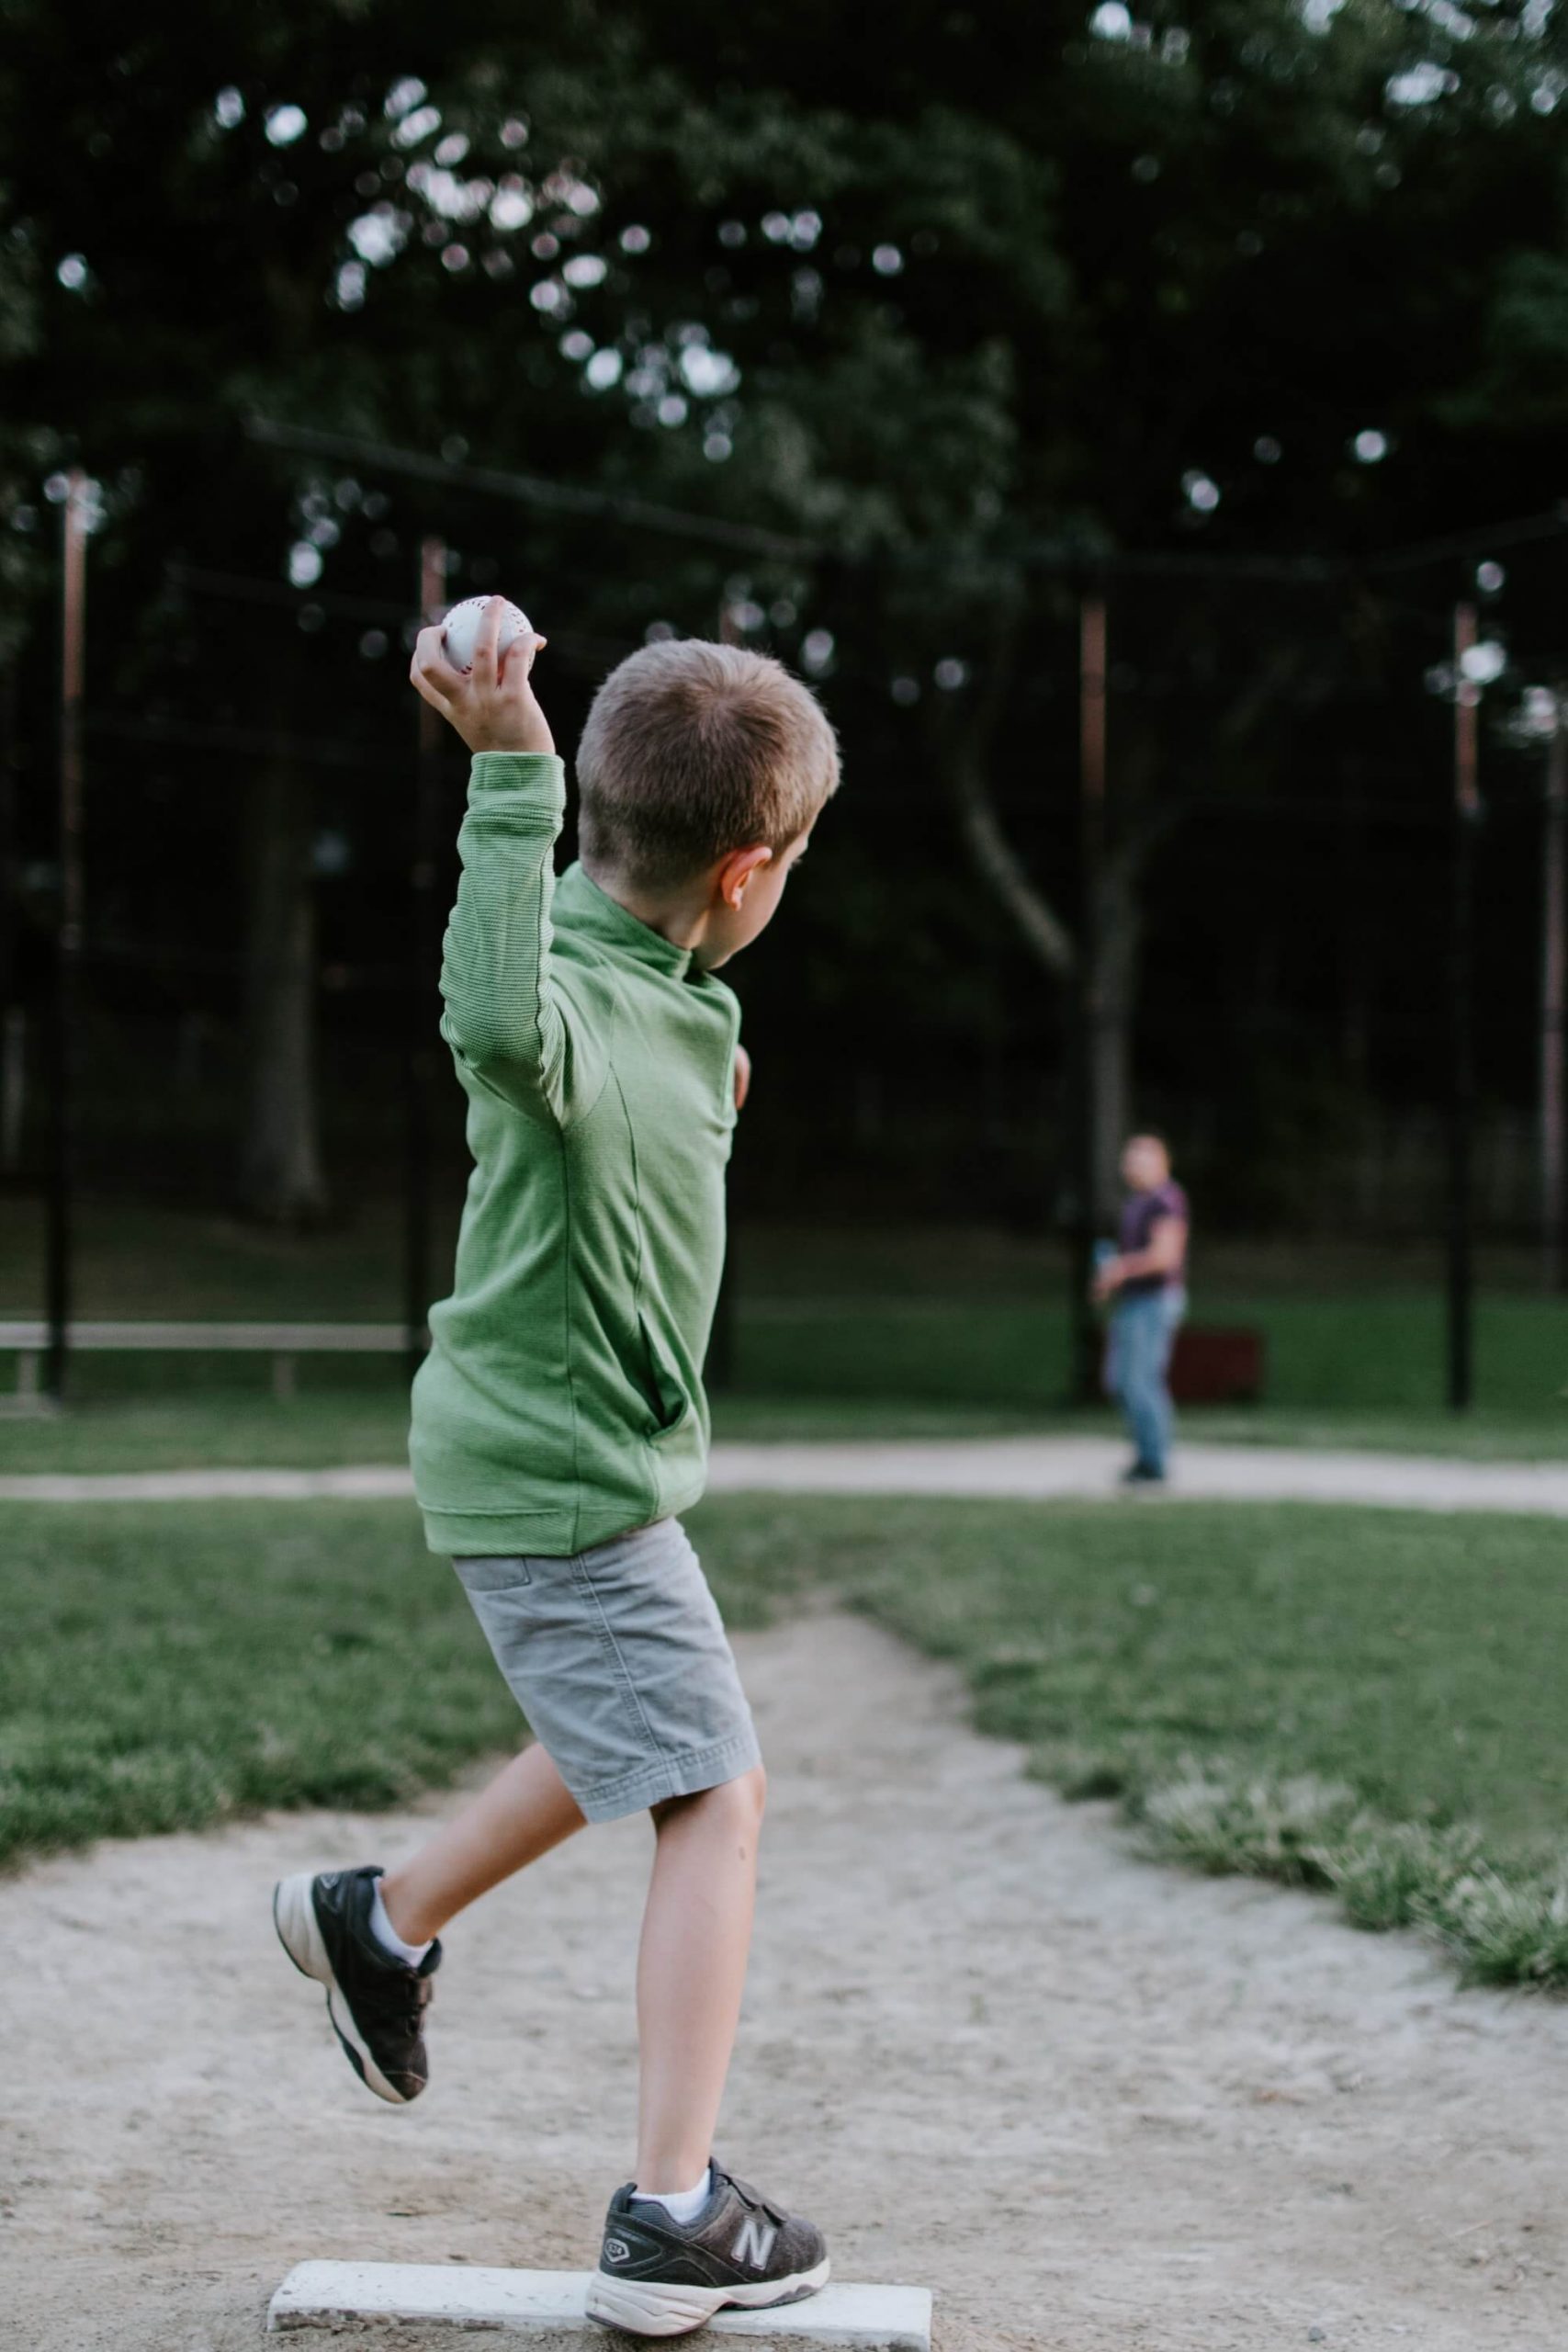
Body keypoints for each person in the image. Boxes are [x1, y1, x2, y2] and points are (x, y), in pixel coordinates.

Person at [272, 600, 840, 2339]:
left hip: (577, 1462)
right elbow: (505, 1026)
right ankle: (672, 2214)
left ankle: (380, 1920)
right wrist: (508, 774)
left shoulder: (661, 992)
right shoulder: (575, 1007)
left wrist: (700, 1046)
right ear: (747, 870)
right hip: (556, 1469)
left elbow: (619, 1023)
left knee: (634, 1735)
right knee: (712, 1791)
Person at [1093, 1133, 1190, 1487]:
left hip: (1155, 1301)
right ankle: (1145, 1455)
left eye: (1141, 1159)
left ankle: (1154, 1461)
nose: (1132, 1166)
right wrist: (1113, 1278)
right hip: (1133, 1302)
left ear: (1161, 1162)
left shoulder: (1167, 1201)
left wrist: (1121, 1268)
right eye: (1129, 1159)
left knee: (1142, 1381)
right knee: (1120, 1379)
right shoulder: (1137, 1203)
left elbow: (1165, 1257)